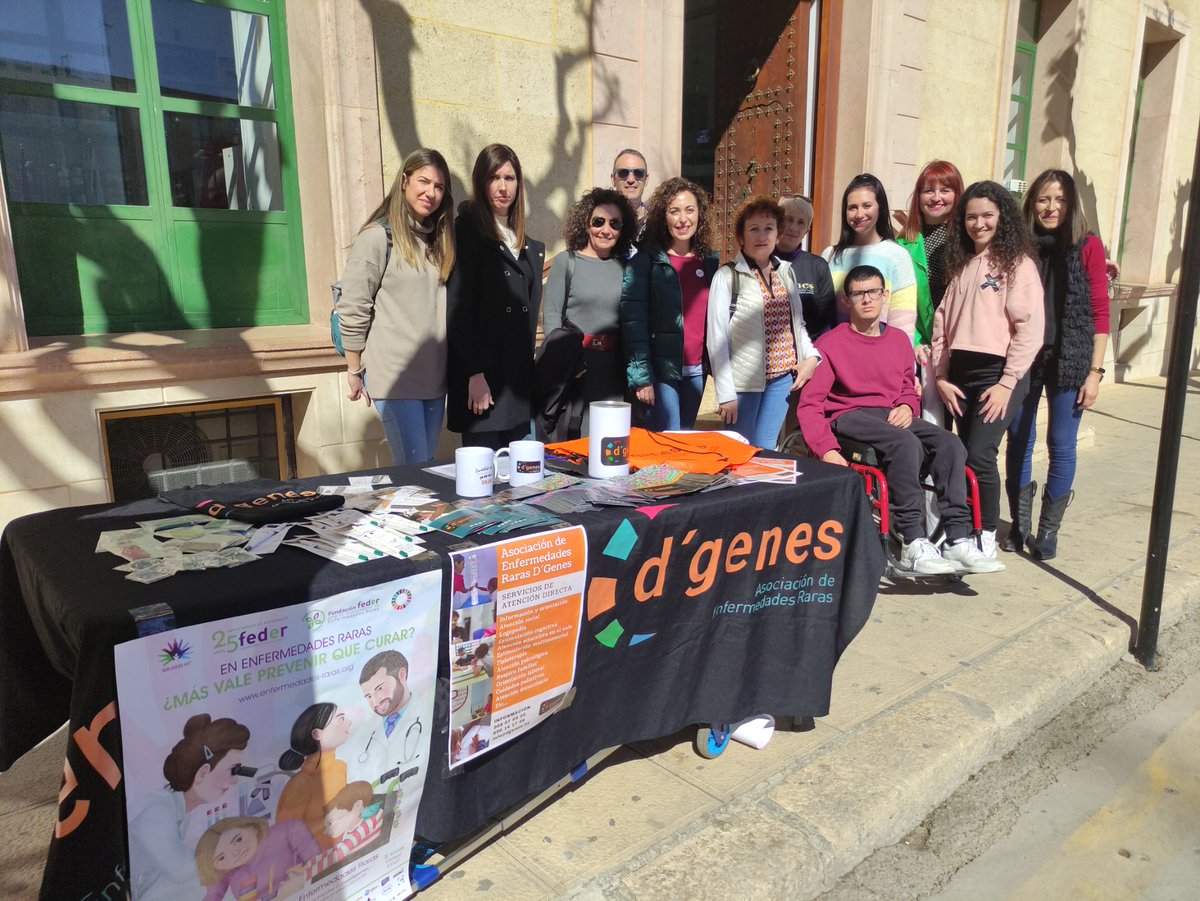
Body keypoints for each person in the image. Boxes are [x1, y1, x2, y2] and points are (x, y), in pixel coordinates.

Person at [798, 265, 1002, 574]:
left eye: (873, 292)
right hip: (848, 414)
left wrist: (908, 406)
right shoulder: (829, 345)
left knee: (950, 443)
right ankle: (912, 540)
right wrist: (826, 448)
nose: (867, 299)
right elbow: (811, 404)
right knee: (905, 443)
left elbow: (908, 388)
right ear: (847, 301)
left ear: (884, 296)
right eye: (858, 293)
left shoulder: (897, 341)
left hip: (891, 413)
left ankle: (957, 539)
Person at [1003, 169, 1112, 558]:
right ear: (1032, 202)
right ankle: (1019, 525)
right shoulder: (1019, 246)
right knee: (1018, 439)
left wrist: (1095, 373)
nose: (1051, 207)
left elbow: (1101, 311)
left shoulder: (1087, 246)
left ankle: (1048, 530)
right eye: (1044, 199)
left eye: (1060, 200)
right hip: (1025, 356)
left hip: (1071, 358)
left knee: (1061, 444)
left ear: (1072, 204)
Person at [932, 180, 1044, 558]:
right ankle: (960, 534)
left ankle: (984, 534)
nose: (978, 223)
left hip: (998, 374)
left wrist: (1007, 383)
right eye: (971, 217)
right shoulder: (962, 266)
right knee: (963, 454)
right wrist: (942, 376)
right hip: (959, 375)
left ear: (1003, 217)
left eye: (987, 216)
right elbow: (942, 326)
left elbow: (1030, 329)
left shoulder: (1018, 265)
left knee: (980, 454)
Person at [339, 148, 456, 465]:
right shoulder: (379, 237)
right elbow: (353, 307)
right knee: (416, 473)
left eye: (439, 186)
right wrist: (353, 370)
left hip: (434, 378)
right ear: (404, 181)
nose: (430, 193)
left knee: (423, 468)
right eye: (423, 181)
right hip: (395, 378)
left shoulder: (437, 240)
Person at [447, 144, 545, 449]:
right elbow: (458, 310)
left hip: (518, 382)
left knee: (521, 481)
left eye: (510, 177)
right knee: (483, 482)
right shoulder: (466, 232)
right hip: (483, 381)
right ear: (480, 182)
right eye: (494, 177)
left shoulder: (529, 245)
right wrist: (475, 374)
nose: (503, 187)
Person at [707, 196, 822, 449]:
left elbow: (797, 325)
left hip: (781, 380)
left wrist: (812, 358)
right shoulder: (727, 276)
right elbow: (716, 339)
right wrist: (726, 394)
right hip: (743, 384)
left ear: (778, 233)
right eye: (754, 229)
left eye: (768, 228)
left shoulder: (785, 272)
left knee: (767, 448)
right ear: (741, 236)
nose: (762, 236)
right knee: (739, 449)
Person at [621, 176, 720, 430]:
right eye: (674, 211)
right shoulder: (646, 262)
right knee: (668, 443)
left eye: (690, 210)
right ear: (663, 217)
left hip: (696, 373)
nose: (683, 219)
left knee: (683, 443)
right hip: (660, 374)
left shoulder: (708, 263)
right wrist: (641, 377)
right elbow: (633, 322)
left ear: (700, 214)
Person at [540, 187, 637, 439]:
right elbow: (552, 317)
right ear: (586, 223)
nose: (606, 230)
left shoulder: (626, 268)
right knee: (573, 446)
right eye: (599, 221)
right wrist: (565, 363)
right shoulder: (566, 262)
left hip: (613, 372)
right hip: (576, 369)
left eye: (615, 223)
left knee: (609, 447)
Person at [128, 715, 251, 901]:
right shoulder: (159, 808)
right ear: (202, 773)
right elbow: (179, 869)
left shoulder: (179, 810)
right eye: (232, 770)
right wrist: (227, 850)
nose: (234, 780)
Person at [896, 160, 965, 424]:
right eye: (928, 190)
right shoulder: (903, 245)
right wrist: (915, 342)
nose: (936, 197)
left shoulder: (969, 241)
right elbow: (897, 304)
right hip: (924, 350)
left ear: (957, 194)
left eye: (945, 190)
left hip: (962, 347)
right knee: (929, 426)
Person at [821, 173, 919, 345]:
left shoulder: (897, 256)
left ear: (880, 208)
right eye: (852, 207)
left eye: (867, 205)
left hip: (880, 358)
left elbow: (903, 322)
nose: (859, 214)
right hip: (838, 356)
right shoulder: (830, 256)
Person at [274, 703, 353, 850]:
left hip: (343, 852)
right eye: (341, 719)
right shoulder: (301, 783)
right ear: (317, 734)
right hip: (312, 863)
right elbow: (284, 836)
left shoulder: (340, 767)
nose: (349, 722)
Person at [194, 816, 319, 901]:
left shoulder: (286, 831)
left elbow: (317, 860)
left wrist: (310, 877)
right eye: (221, 858)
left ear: (251, 828)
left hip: (305, 892)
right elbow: (212, 895)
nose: (235, 853)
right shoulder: (226, 872)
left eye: (238, 840)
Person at [775, 193, 837, 341]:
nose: (793, 227)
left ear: (807, 230)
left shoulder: (818, 266)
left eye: (801, 222)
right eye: (788, 219)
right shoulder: (761, 262)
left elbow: (828, 324)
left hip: (809, 355)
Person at [352, 650, 420, 784]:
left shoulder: (428, 711)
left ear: (402, 675)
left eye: (380, 689)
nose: (376, 702)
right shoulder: (365, 730)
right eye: (369, 696)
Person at [611, 148, 650, 241]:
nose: (631, 180)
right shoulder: (600, 223)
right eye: (623, 173)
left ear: (646, 179)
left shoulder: (658, 223)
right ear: (613, 179)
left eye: (638, 173)